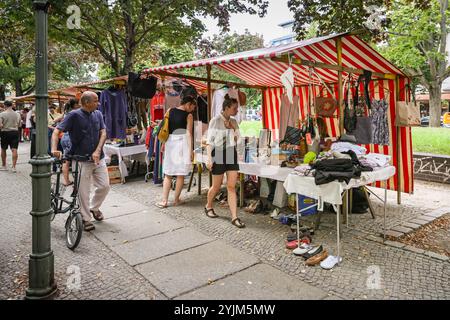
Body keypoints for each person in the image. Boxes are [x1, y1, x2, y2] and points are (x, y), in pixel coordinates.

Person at [51, 91, 109, 232]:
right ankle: (85, 218)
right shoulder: (73, 115)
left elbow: (103, 132)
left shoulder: (98, 114)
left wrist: (98, 150)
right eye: (96, 101)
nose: (98, 103)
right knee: (83, 192)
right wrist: (53, 148)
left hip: (98, 158)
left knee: (104, 186)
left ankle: (94, 208)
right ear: (87, 102)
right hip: (81, 159)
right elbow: (56, 131)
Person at [204, 94, 245, 228]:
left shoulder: (233, 121)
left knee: (231, 186)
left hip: (230, 153)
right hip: (219, 153)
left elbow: (239, 138)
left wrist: (231, 128)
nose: (236, 111)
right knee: (217, 186)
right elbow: (209, 142)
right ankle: (208, 206)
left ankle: (234, 217)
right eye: (234, 108)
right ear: (226, 108)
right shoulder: (215, 121)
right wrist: (209, 158)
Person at [155, 95, 196, 208]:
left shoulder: (170, 110)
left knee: (168, 174)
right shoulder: (189, 116)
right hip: (182, 143)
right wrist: (191, 150)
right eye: (192, 107)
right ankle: (176, 200)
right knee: (180, 174)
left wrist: (163, 144)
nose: (192, 109)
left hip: (170, 142)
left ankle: (164, 201)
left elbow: (165, 128)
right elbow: (188, 134)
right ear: (188, 104)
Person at [60, 98, 80, 186]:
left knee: (66, 160)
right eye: (78, 103)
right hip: (70, 138)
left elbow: (56, 121)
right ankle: (77, 181)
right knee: (75, 160)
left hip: (64, 137)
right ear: (75, 105)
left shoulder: (65, 113)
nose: (80, 105)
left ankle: (66, 180)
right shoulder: (75, 114)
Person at [0, 100, 22, 172]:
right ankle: (14, 167)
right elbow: (19, 125)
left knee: (3, 149)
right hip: (15, 132)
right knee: (14, 149)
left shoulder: (2, 114)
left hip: (5, 132)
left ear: (5, 105)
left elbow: (0, 125)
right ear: (12, 105)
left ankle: (4, 166)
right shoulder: (18, 114)